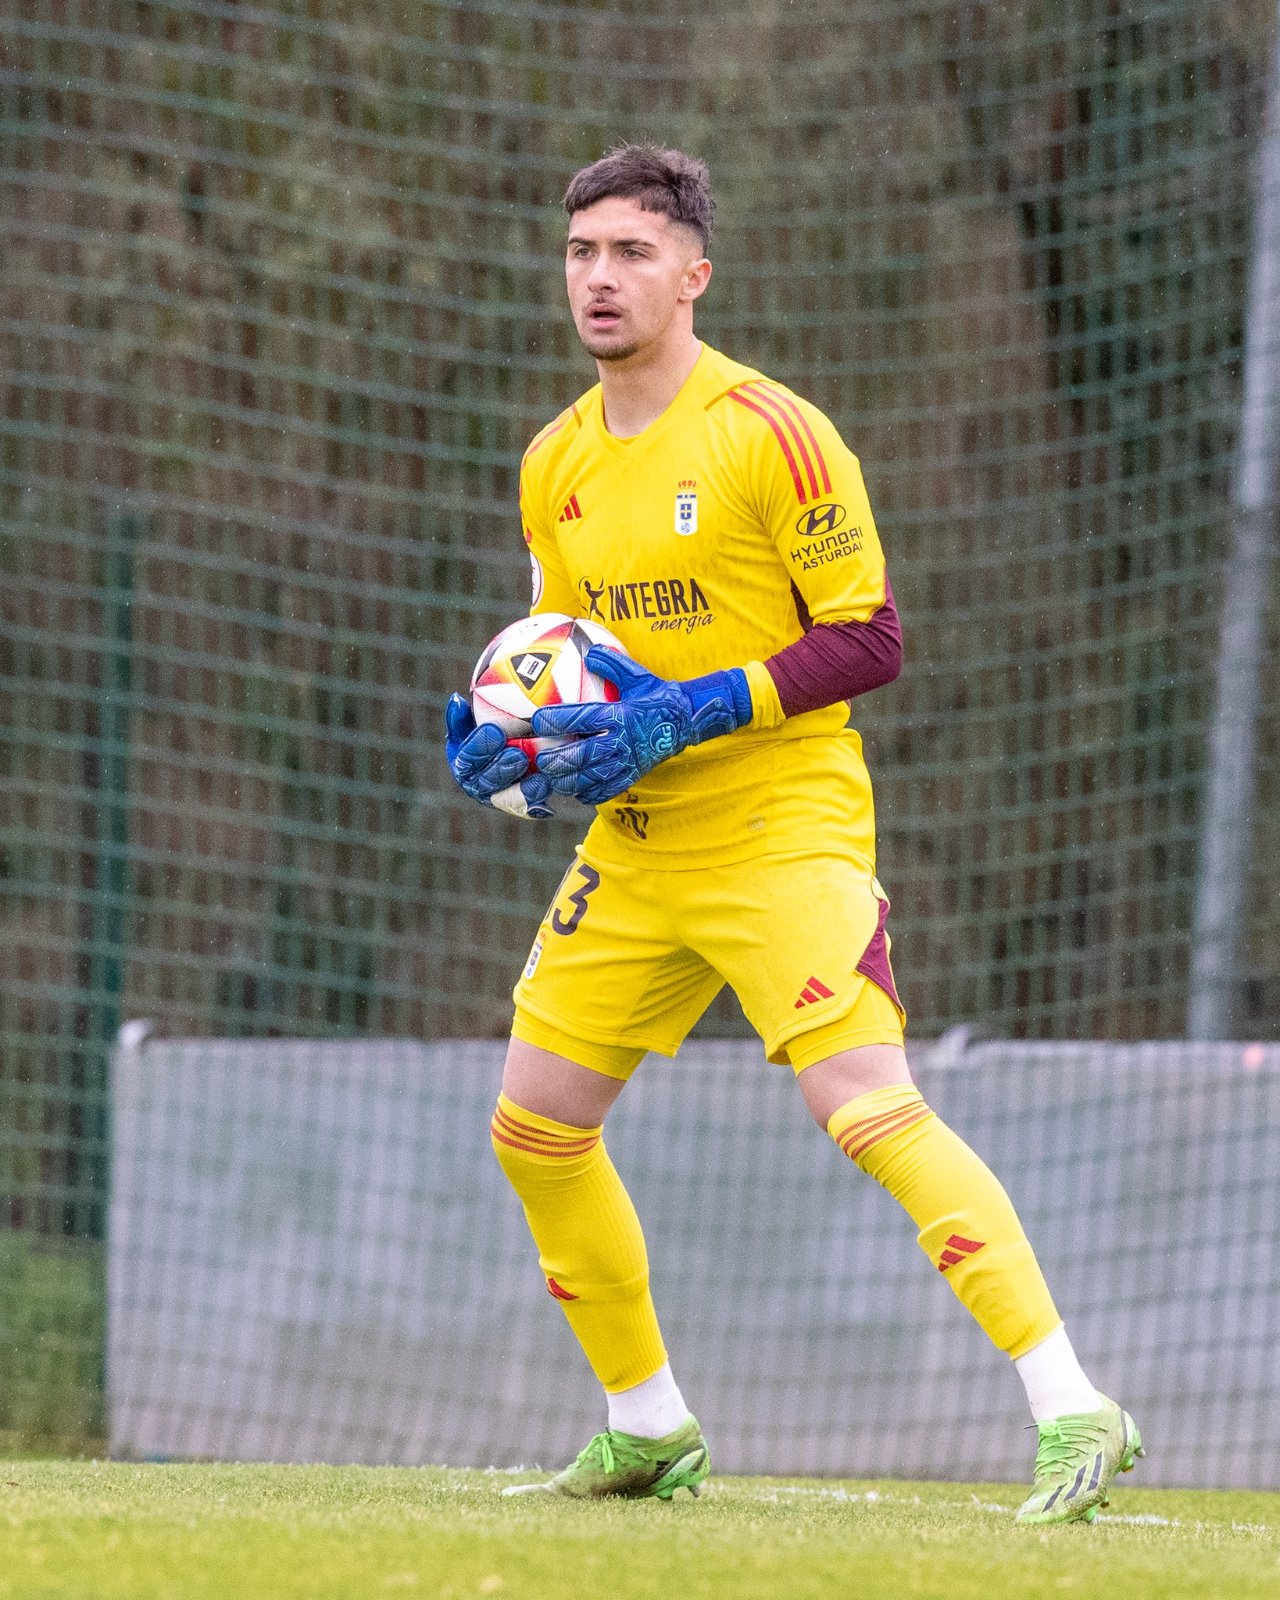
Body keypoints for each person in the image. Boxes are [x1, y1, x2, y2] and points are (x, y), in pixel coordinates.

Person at [445, 142, 1142, 1523]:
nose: (600, 278)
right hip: (640, 842)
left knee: (866, 1106)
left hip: (781, 823)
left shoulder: (773, 429)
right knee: (535, 1129)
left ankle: (1076, 1408)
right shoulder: (554, 464)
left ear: (694, 274)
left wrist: (698, 707)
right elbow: (557, 650)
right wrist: (509, 742)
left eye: (632, 252)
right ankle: (648, 1425)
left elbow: (872, 640)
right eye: (582, 252)